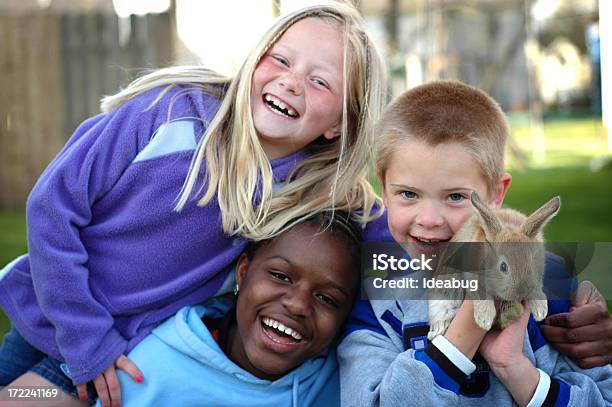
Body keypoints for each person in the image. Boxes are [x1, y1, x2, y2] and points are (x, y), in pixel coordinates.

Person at [0, 2, 386, 406]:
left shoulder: (315, 187)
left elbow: (403, 240)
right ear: (256, 60)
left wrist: (458, 279)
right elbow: (51, 208)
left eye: (320, 82)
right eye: (281, 60)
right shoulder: (169, 112)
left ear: (340, 123)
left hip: (127, 351)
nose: (291, 82)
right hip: (55, 315)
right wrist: (86, 339)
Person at [339, 81, 612, 406]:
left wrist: (516, 370)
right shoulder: (377, 304)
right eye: (408, 194)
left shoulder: (549, 283)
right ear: (384, 191)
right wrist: (465, 332)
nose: (429, 219)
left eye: (455, 197)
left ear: (496, 194)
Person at [95, 211, 361, 407]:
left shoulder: (350, 386)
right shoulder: (150, 371)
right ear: (243, 272)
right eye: (280, 276)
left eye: (327, 298)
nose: (297, 305)